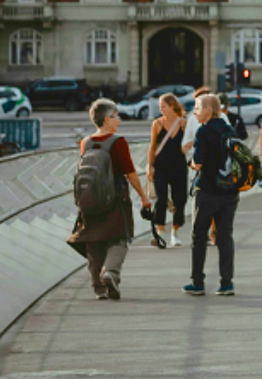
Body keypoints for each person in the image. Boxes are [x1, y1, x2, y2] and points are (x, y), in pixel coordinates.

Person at [66, 99, 152, 301]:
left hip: (89, 201)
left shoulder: (85, 143)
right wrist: (143, 196)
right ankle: (110, 273)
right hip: (114, 200)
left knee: (93, 242)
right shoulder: (118, 142)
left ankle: (99, 288)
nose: (119, 120)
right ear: (106, 120)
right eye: (116, 116)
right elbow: (130, 173)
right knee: (118, 239)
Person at [185, 94, 237, 297]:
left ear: (209, 109)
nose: (195, 112)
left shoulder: (203, 131)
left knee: (199, 236)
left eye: (198, 107)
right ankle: (227, 282)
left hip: (207, 191)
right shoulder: (229, 130)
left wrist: (191, 163)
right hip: (230, 192)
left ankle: (197, 282)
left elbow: (198, 163)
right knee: (225, 237)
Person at [146, 93, 189, 249]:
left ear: (172, 106)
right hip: (161, 166)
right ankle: (160, 233)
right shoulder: (157, 124)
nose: (161, 109)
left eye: (163, 106)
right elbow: (152, 148)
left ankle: (175, 233)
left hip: (179, 166)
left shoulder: (183, 123)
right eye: (160, 107)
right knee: (161, 199)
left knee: (180, 199)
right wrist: (150, 168)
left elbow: (191, 143)